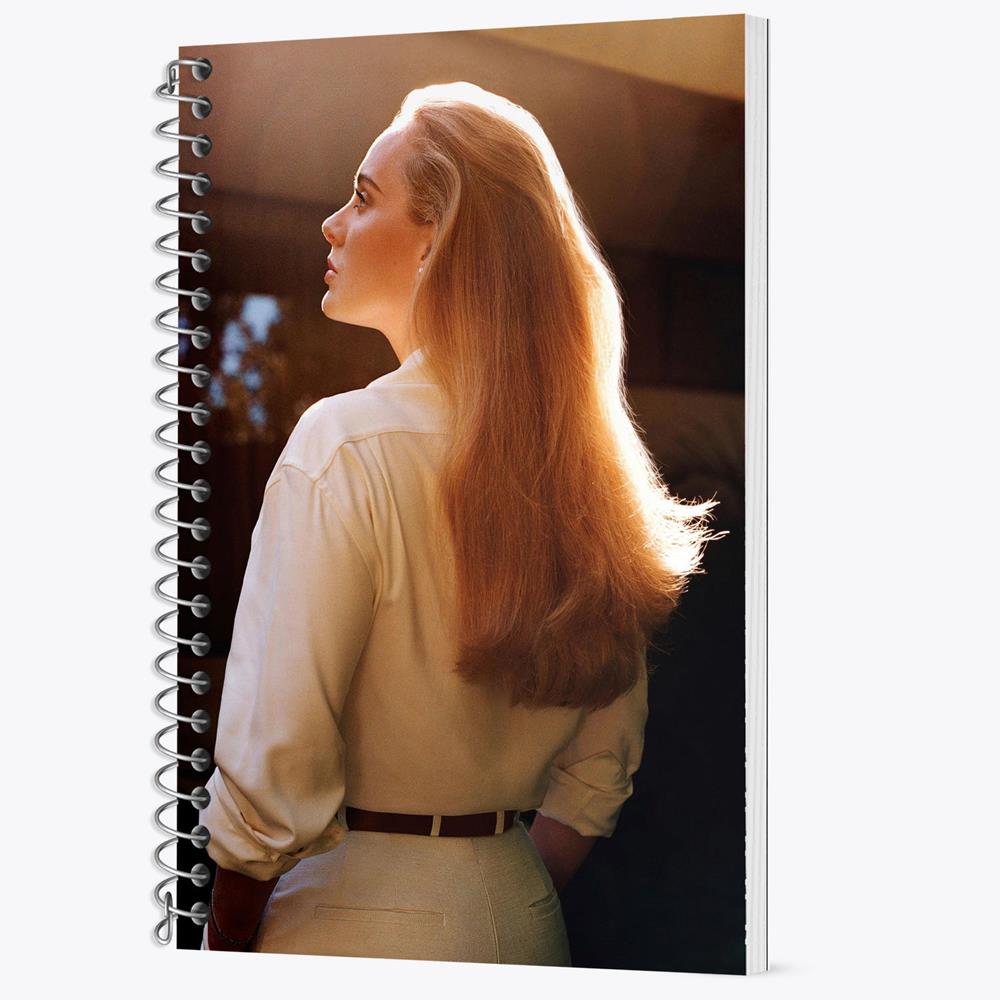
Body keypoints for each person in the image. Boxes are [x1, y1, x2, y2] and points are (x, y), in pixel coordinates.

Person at [199, 81, 719, 961]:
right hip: (524, 916)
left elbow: (273, 766)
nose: (332, 223)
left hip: (345, 922)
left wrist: (223, 936)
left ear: (438, 239)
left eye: (364, 198)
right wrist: (486, 884)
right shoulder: (589, 469)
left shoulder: (344, 444)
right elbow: (598, 774)